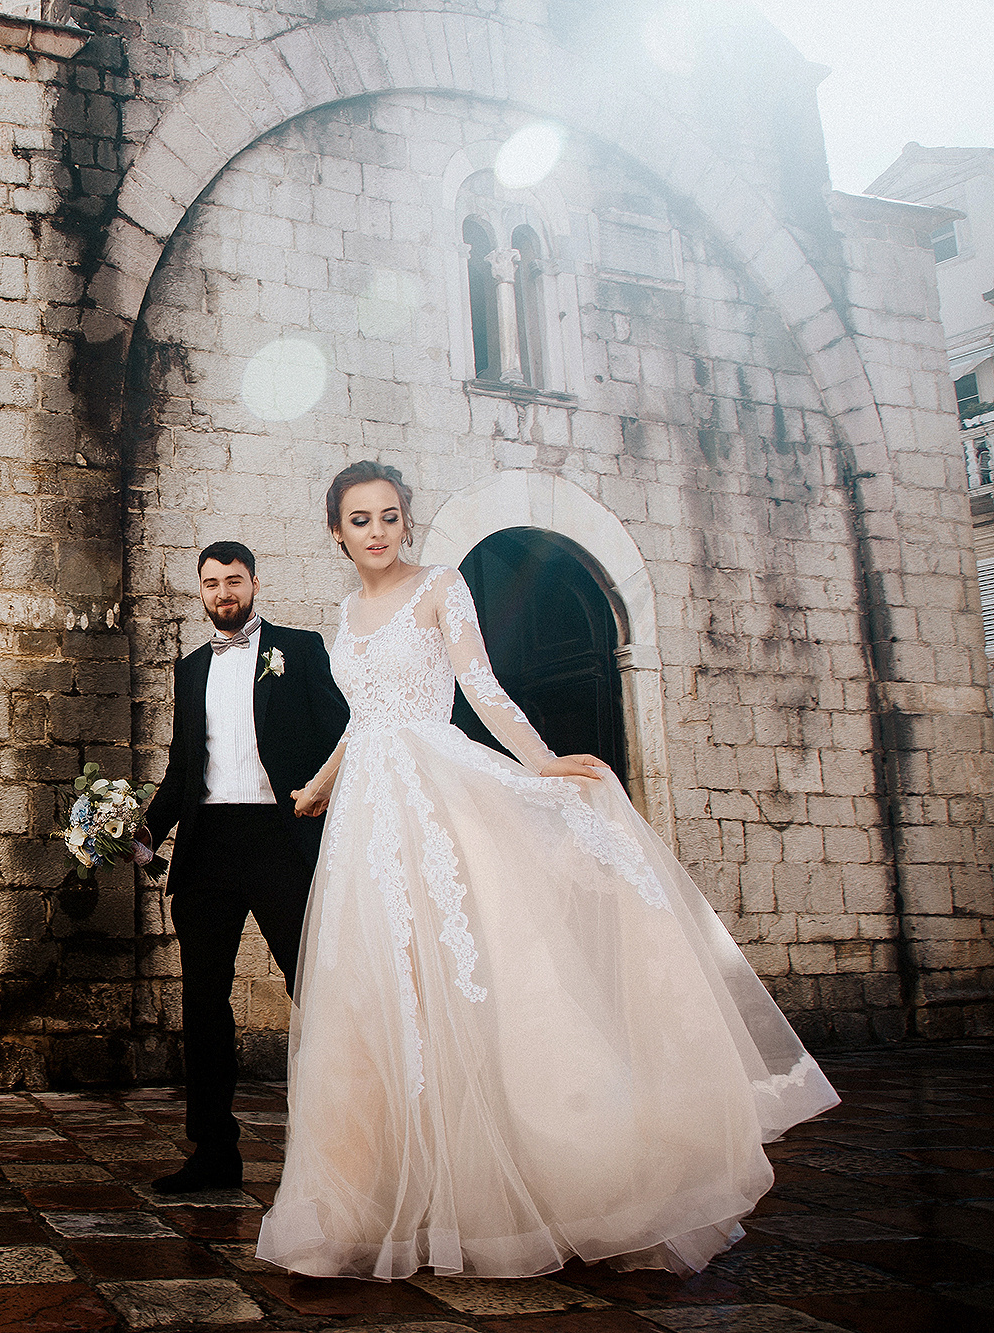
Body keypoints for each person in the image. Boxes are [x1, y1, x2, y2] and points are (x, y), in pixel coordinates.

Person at [256, 461, 839, 1278]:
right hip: (366, 822)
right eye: (360, 520)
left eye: (390, 515)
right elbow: (364, 717)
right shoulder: (345, 614)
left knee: (481, 983)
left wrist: (541, 762)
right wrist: (319, 786)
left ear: (405, 521)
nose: (378, 530)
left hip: (435, 795)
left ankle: (549, 1177)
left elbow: (481, 689)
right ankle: (366, 1201)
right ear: (336, 531)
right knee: (375, 997)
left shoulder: (441, 585)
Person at [138, 540, 349, 1194]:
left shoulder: (302, 648)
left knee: (315, 988)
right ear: (200, 591)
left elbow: (345, 731)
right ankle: (213, 1153)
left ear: (255, 582)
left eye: (234, 580)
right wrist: (145, 826)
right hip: (209, 845)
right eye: (212, 583)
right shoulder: (189, 669)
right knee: (203, 1002)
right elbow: (182, 768)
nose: (224, 592)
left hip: (281, 835)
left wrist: (320, 794)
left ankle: (349, 1146)